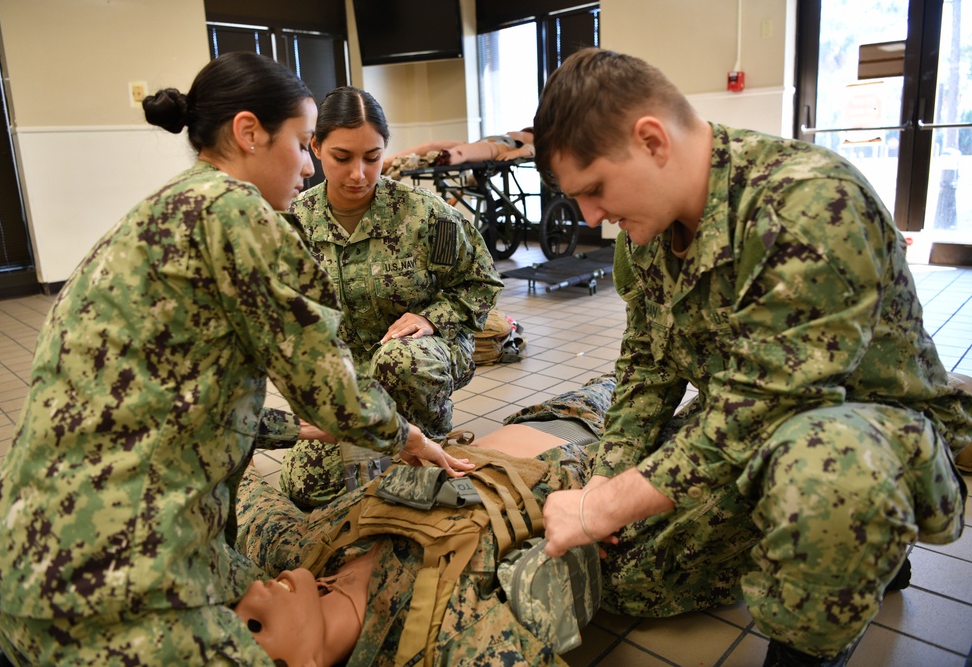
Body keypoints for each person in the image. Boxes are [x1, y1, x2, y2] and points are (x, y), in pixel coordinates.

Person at [0, 52, 470, 666]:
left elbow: (166, 397)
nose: (306, 167)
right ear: (248, 132)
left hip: (23, 559)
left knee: (263, 585)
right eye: (302, 144)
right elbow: (332, 389)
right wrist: (408, 438)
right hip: (104, 587)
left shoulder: (165, 212)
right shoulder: (237, 212)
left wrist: (292, 427)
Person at [531, 48, 970, 667]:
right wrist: (607, 479)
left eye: (596, 189)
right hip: (751, 427)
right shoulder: (651, 229)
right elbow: (646, 369)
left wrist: (602, 507)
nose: (591, 216)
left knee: (825, 471)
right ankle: (836, 552)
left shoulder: (808, 204)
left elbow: (767, 409)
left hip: (865, 434)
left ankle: (846, 577)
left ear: (652, 140)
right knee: (626, 577)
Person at [234, 375, 615, 667]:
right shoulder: (452, 640)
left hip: (533, 419)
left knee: (612, 384)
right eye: (256, 626)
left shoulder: (299, 552)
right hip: (593, 455)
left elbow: (248, 500)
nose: (253, 593)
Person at [280, 86, 502, 506]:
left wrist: (432, 316)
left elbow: (481, 283)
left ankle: (429, 436)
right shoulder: (295, 220)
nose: (359, 174)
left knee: (398, 358)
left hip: (420, 357)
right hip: (346, 376)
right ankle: (385, 443)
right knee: (305, 487)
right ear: (315, 147)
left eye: (373, 157)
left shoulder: (424, 214)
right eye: (342, 157)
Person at [382, 128, 535, 178]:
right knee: (432, 145)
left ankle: (447, 157)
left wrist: (518, 152)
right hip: (482, 143)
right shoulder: (522, 132)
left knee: (461, 152)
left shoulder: (534, 140)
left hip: (503, 149)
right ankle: (386, 163)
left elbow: (534, 150)